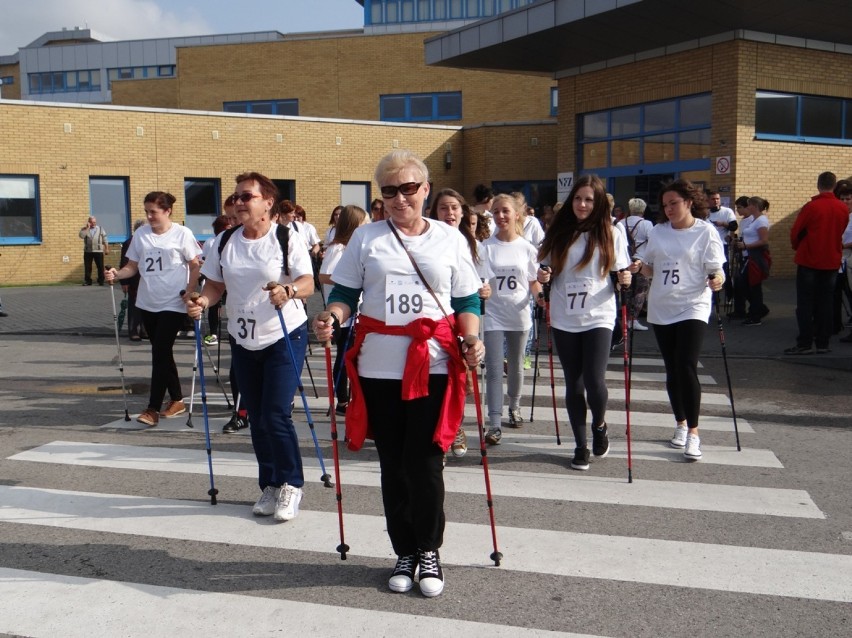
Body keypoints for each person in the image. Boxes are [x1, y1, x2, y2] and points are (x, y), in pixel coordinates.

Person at [313, 150, 482, 598]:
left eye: (409, 188)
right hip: (380, 366)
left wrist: (472, 338)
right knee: (392, 463)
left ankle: (429, 549)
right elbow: (346, 292)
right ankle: (403, 550)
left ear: (425, 189)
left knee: (425, 462)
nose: (400, 197)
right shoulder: (367, 238)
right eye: (390, 190)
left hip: (434, 363)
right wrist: (331, 315)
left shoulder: (450, 239)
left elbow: (466, 301)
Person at [187, 171, 315, 521]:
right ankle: (270, 484)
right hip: (244, 337)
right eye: (237, 197)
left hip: (284, 332)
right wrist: (203, 301)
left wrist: (287, 291)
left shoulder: (286, 238)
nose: (240, 202)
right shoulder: (225, 241)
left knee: (275, 413)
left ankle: (291, 483)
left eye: (247, 197)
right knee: (255, 416)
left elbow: (308, 282)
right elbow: (215, 284)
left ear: (267, 203)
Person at [537, 175, 631, 470]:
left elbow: (621, 271)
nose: (582, 204)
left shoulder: (611, 233)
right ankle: (580, 444)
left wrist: (625, 278)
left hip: (599, 314)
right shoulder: (559, 232)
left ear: (599, 202)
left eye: (589, 199)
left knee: (594, 379)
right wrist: (544, 276)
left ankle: (599, 424)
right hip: (566, 315)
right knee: (574, 383)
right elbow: (545, 266)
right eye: (578, 198)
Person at [628, 179, 725, 461]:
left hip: (693, 305)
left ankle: (694, 433)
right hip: (662, 307)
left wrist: (717, 279)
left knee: (686, 365)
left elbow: (716, 269)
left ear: (689, 202)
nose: (669, 209)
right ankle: (680, 423)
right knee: (672, 367)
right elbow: (649, 269)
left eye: (675, 203)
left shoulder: (705, 232)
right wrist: (638, 267)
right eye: (666, 204)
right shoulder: (658, 232)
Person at [105, 192, 202, 426]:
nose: (149, 216)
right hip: (148, 302)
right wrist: (117, 274)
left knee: (159, 352)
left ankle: (152, 409)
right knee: (163, 353)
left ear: (167, 211)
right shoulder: (141, 234)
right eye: (147, 211)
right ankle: (177, 399)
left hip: (174, 303)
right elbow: (132, 266)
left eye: (154, 212)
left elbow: (195, 263)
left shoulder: (182, 234)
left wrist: (190, 289)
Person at [428, 188, 492, 458]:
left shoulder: (472, 243)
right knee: (440, 377)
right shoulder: (425, 240)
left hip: (466, 319)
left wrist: (484, 290)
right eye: (443, 208)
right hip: (436, 319)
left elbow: (484, 280)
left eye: (454, 207)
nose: (450, 213)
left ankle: (454, 426)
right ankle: (441, 431)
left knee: (463, 379)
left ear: (463, 212)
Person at [479, 193, 541, 444]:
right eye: (496, 212)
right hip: (493, 314)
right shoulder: (486, 247)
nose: (500, 216)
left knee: (515, 364)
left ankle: (514, 406)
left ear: (517, 214)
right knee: (494, 368)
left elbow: (533, 280)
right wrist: (481, 290)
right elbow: (481, 281)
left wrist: (541, 295)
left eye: (505, 211)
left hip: (519, 312)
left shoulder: (527, 248)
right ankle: (494, 423)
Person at [786, 171, 850, 354]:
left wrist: (798, 246)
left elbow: (796, 231)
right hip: (831, 260)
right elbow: (841, 229)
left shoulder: (812, 207)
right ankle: (823, 343)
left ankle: (805, 342)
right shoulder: (842, 208)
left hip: (809, 259)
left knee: (805, 303)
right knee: (826, 302)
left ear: (818, 184)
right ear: (834, 185)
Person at [318, 204, 369, 415]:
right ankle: (342, 399)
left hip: (356, 313)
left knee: (354, 356)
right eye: (364, 224)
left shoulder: (354, 248)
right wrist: (352, 280)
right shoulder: (338, 248)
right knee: (343, 356)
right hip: (342, 313)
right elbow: (323, 275)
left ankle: (352, 397)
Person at [617, 197, 653, 331]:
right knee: (640, 291)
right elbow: (652, 242)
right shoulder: (647, 224)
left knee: (627, 290)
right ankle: (634, 319)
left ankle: (625, 319)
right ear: (643, 210)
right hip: (641, 262)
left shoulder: (621, 222)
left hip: (625, 262)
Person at [736, 196, 771, 325]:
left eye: (749, 205)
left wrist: (746, 246)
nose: (747, 207)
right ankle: (758, 309)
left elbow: (764, 240)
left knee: (751, 285)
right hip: (748, 255)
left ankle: (756, 314)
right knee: (746, 285)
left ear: (755, 206)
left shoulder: (761, 221)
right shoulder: (755, 220)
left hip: (754, 256)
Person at [201, 214, 233, 345]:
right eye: (228, 226)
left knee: (231, 304)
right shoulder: (211, 242)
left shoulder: (234, 240)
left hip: (230, 279)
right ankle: (213, 332)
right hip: (216, 278)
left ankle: (232, 331)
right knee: (213, 306)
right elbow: (205, 259)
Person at [707, 189, 738, 301]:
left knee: (724, 271)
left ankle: (729, 297)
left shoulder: (727, 211)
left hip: (722, 245)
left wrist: (723, 224)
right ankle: (714, 298)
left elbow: (734, 226)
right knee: (710, 273)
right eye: (713, 199)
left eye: (717, 199)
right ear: (708, 201)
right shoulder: (706, 213)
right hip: (708, 247)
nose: (716, 201)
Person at [119, 219, 147, 341]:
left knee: (146, 305)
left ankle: (145, 330)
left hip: (146, 279)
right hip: (133, 279)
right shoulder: (129, 242)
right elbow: (125, 262)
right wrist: (124, 282)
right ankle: (133, 330)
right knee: (134, 305)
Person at [79, 216, 109, 285]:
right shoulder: (84, 229)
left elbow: (105, 239)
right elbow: (81, 236)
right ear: (89, 222)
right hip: (88, 251)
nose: (93, 224)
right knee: (87, 267)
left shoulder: (101, 229)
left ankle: (101, 281)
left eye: (94, 222)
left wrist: (106, 248)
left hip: (98, 251)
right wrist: (87, 228)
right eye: (92, 222)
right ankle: (88, 281)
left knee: (100, 266)